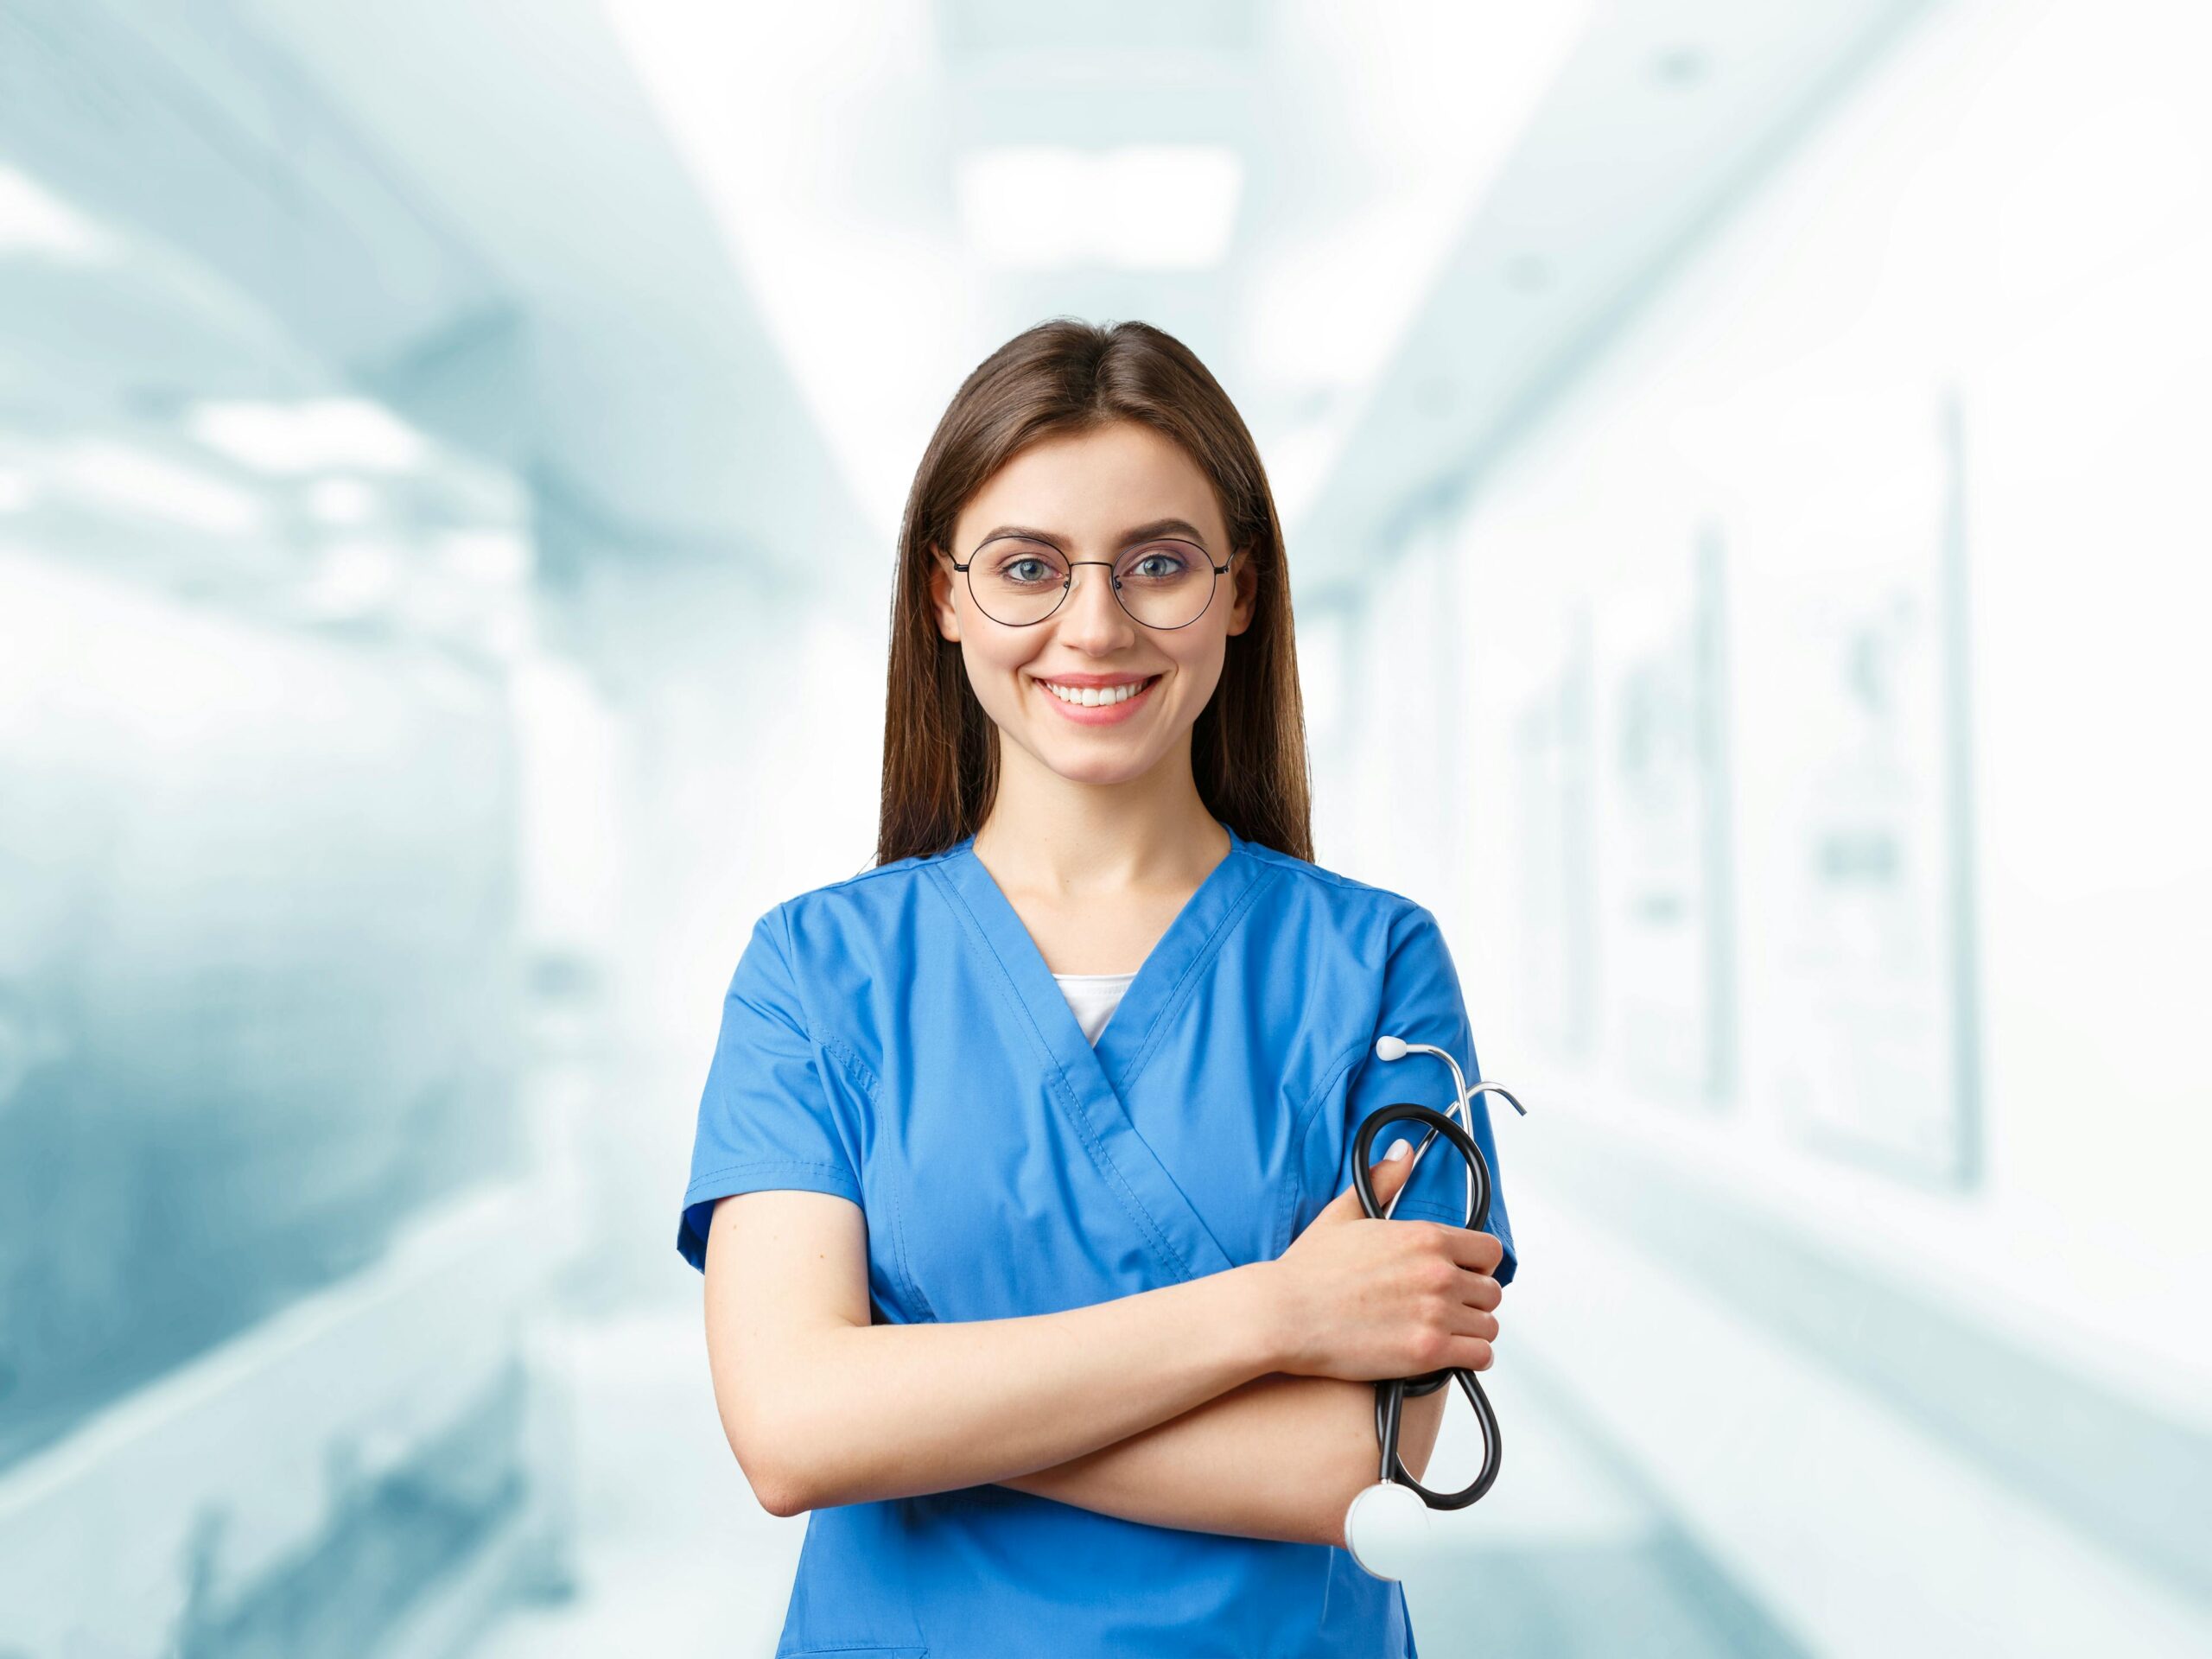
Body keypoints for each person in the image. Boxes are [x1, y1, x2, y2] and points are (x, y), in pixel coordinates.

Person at [677, 317, 1518, 1658]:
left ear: (1242, 590)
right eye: (1025, 567)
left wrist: (904, 1405)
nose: (1094, 625)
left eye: (1161, 565)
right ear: (943, 596)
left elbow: (1353, 1464)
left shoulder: (1374, 968)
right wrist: (1274, 1314)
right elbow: (788, 1434)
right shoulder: (817, 972)